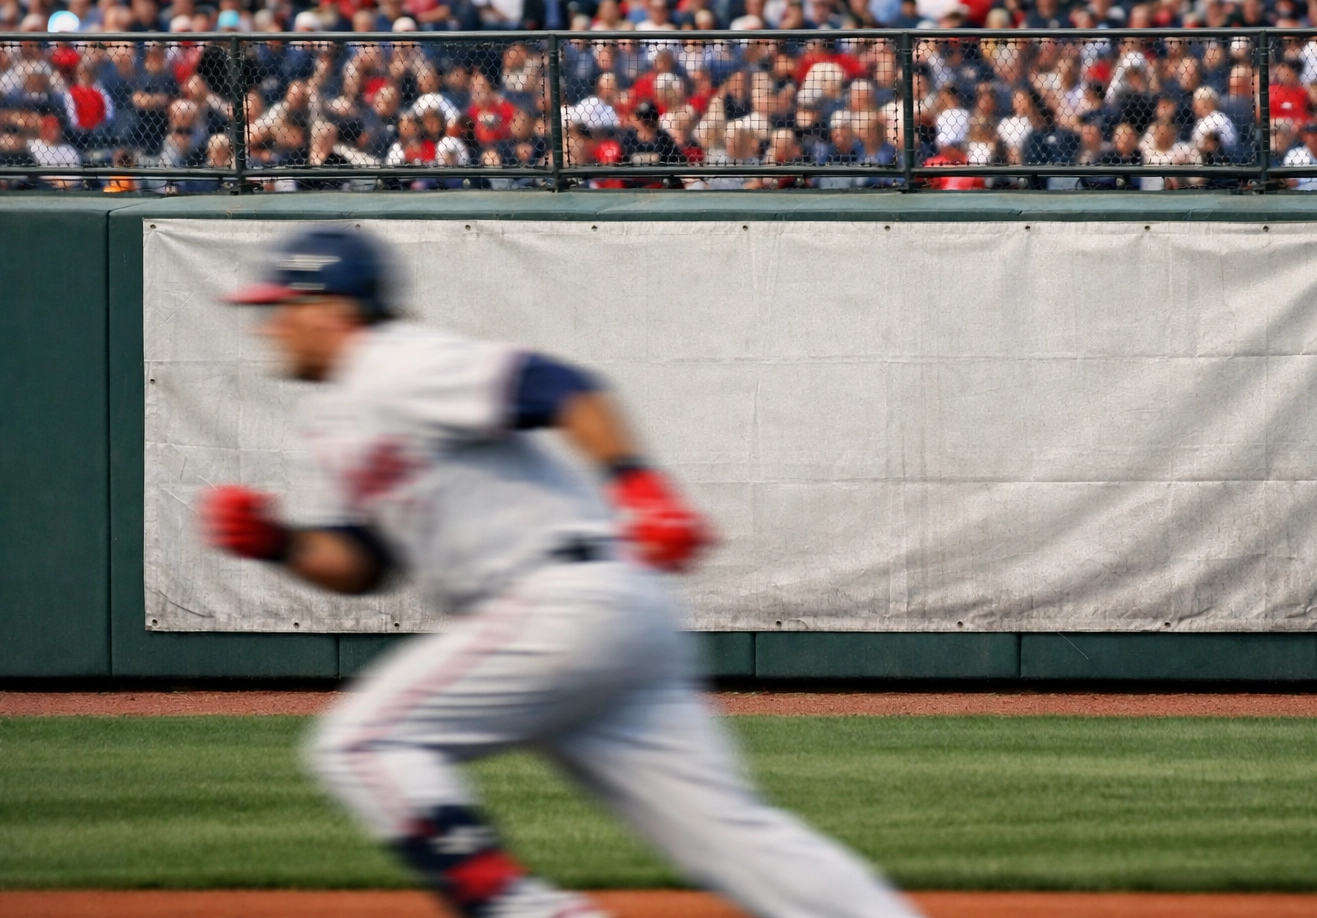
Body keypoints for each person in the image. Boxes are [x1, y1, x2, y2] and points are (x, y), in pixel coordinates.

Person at [200, 228, 924, 918]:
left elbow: (555, 385)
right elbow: (367, 564)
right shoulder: (336, 415)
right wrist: (281, 543)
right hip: (614, 615)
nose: (267, 324)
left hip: (557, 603)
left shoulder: (395, 361)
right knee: (733, 839)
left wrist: (637, 482)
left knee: (360, 743)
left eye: (279, 308)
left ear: (332, 309)